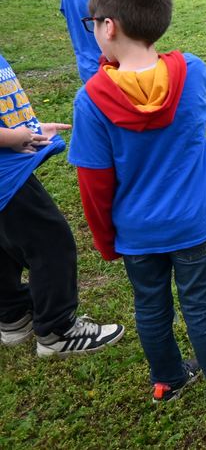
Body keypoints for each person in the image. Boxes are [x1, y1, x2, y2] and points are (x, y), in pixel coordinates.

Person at [68, 0, 206, 415]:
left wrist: (106, 242)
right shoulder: (192, 71)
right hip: (192, 222)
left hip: (136, 231)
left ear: (109, 27)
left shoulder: (92, 99)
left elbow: (94, 185)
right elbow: (204, 86)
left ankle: (167, 378)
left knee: (150, 306)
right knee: (199, 305)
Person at [0, 51, 125, 357]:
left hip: (9, 166)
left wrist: (26, 129)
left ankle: (14, 315)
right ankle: (57, 331)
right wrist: (9, 137)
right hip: (4, 175)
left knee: (5, 242)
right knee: (51, 240)